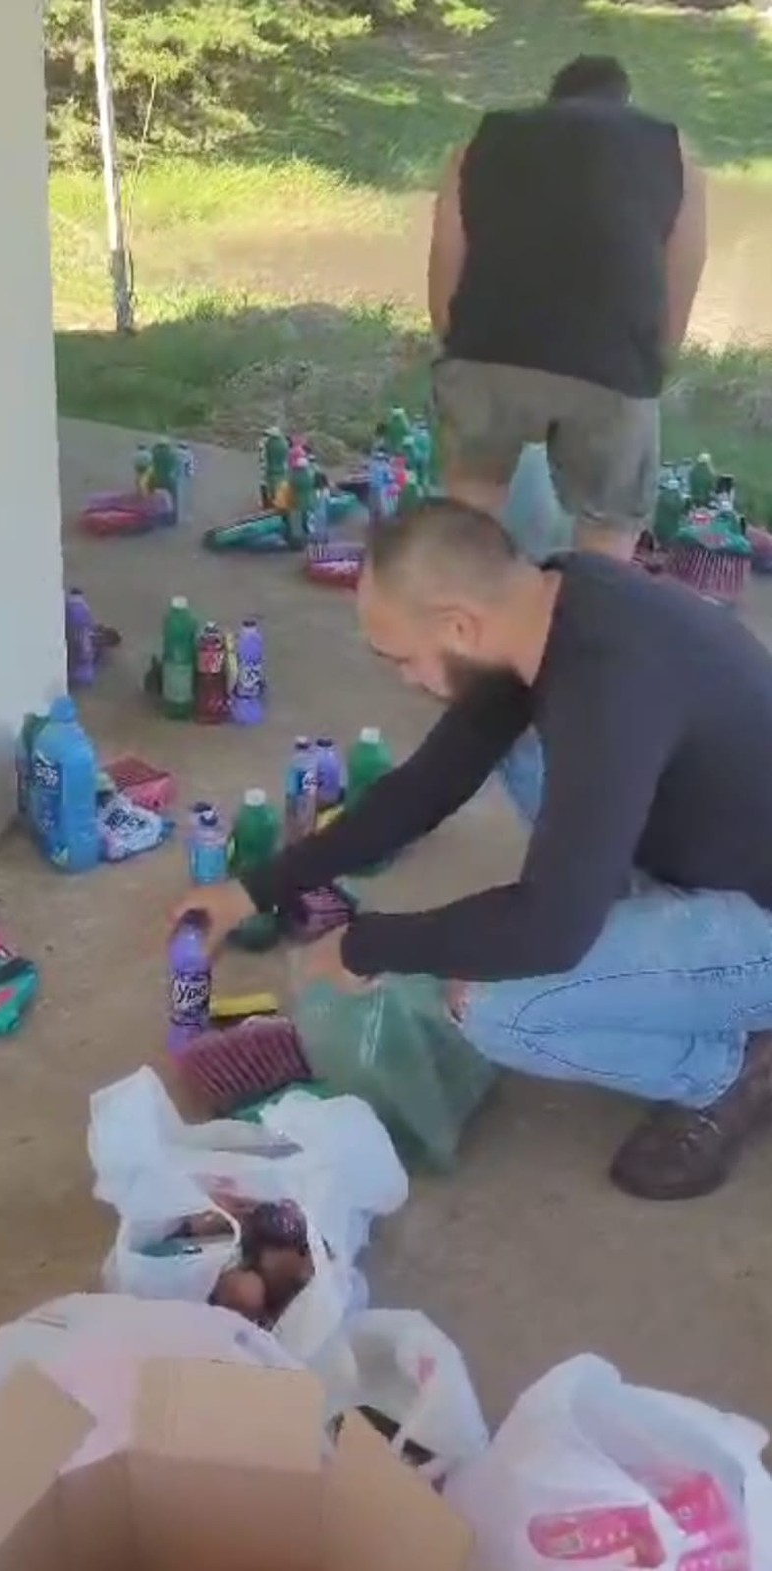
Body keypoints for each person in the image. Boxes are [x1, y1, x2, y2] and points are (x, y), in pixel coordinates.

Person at [171, 500, 772, 1203]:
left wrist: (373, 944)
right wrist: (253, 888)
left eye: (401, 658)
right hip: (716, 849)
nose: (406, 678)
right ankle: (635, 949)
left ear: (459, 624)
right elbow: (428, 783)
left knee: (495, 1010)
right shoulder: (553, 600)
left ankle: (730, 1066)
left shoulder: (610, 681)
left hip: (757, 914)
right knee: (516, 748)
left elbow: (548, 931)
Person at [427, 55, 707, 560]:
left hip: (488, 344)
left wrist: (458, 347)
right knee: (609, 524)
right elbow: (683, 266)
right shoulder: (672, 149)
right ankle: (592, 618)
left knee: (473, 506)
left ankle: (464, 620)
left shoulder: (483, 140)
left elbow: (447, 258)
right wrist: (654, 362)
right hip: (612, 361)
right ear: (624, 101)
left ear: (552, 100)